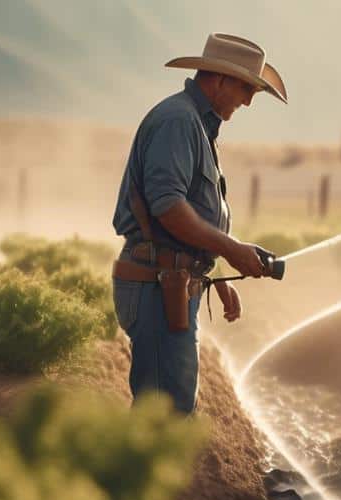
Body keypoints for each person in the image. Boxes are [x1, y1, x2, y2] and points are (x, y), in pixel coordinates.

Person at [111, 33, 287, 414]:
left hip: (171, 281)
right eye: (246, 87)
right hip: (157, 284)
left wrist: (218, 272)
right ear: (220, 80)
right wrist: (229, 249)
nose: (249, 100)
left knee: (172, 406)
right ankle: (143, 474)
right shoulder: (178, 121)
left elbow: (192, 213)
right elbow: (169, 207)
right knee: (165, 415)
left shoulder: (197, 124)